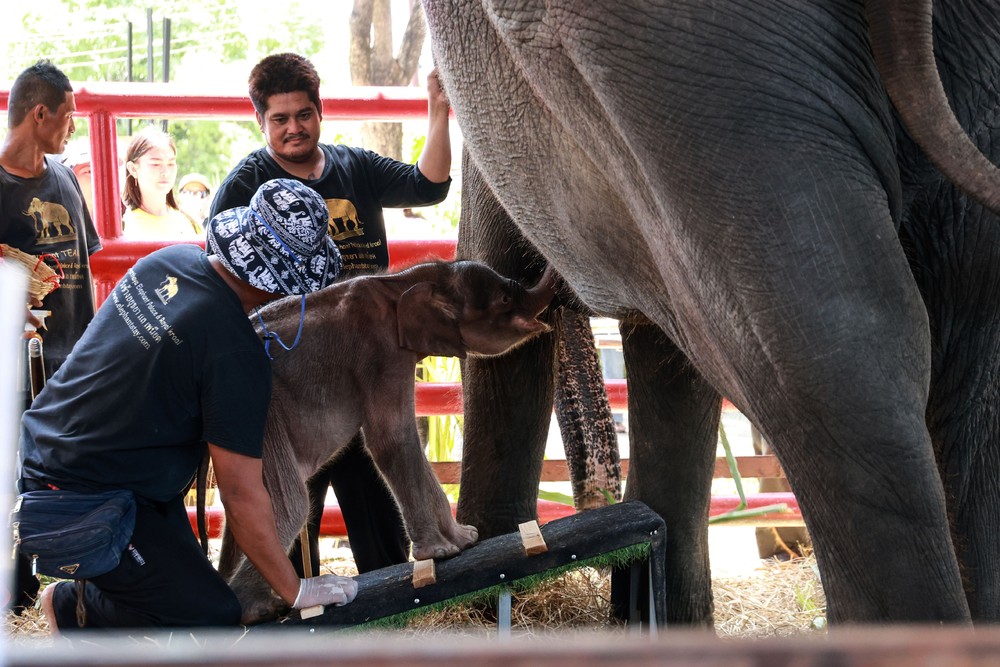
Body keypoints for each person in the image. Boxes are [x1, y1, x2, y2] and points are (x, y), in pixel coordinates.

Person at [22, 178, 358, 631]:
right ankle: (68, 607)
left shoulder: (171, 259)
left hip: (58, 449)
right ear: (286, 285)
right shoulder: (235, 354)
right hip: (82, 496)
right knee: (211, 616)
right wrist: (295, 588)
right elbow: (240, 494)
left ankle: (96, 596)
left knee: (189, 583)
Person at [209, 52, 452, 577]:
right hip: (295, 376)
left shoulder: (355, 167)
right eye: (280, 119)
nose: (293, 128)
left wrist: (437, 110)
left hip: (368, 367)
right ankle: (292, 619)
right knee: (291, 505)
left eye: (303, 114)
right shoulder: (247, 183)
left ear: (320, 112)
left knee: (379, 507)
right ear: (261, 122)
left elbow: (428, 185)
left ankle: (390, 611)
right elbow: (222, 269)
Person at [0, 60, 102, 615]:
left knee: (74, 472)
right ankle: (15, 593)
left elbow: (87, 260)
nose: (72, 126)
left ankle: (68, 584)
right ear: (39, 114)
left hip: (77, 355)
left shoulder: (64, 177)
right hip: (17, 362)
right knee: (17, 474)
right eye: (66, 116)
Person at [121, 126, 202, 239]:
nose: (165, 172)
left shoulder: (188, 222)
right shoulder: (124, 226)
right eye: (155, 164)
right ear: (133, 169)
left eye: (171, 164)